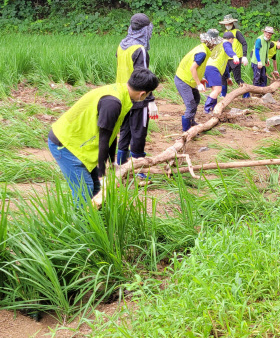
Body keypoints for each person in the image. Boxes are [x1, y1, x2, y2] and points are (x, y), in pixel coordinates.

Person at [48, 68, 159, 202]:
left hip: (78, 141)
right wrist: (102, 174)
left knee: (96, 189)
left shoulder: (122, 92)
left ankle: (95, 220)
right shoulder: (112, 103)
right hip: (65, 144)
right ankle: (81, 222)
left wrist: (111, 162)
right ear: (142, 94)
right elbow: (104, 139)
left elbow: (111, 133)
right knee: (85, 190)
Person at [115, 13, 158, 169]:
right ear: (145, 30)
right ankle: (137, 168)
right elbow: (143, 78)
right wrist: (150, 100)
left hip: (121, 93)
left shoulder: (122, 45)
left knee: (125, 129)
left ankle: (121, 164)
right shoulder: (139, 49)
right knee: (139, 131)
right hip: (138, 97)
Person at [174, 29, 223, 131]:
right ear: (211, 42)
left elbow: (198, 69)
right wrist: (198, 83)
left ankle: (191, 122)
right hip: (183, 80)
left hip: (187, 79)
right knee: (191, 105)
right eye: (215, 44)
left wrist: (201, 79)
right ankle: (186, 130)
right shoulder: (202, 53)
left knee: (196, 98)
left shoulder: (203, 48)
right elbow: (193, 68)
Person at [203, 31, 240, 114]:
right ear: (230, 39)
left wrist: (228, 77)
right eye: (232, 40)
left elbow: (224, 65)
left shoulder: (219, 45)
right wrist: (234, 56)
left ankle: (214, 108)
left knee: (215, 90)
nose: (233, 41)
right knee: (218, 89)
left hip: (209, 67)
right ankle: (207, 109)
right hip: (213, 68)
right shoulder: (226, 43)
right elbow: (228, 49)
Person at [218, 14, 250, 98]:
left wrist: (244, 55)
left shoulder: (237, 32)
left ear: (232, 23)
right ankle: (223, 94)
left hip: (236, 58)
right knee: (223, 76)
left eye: (229, 24)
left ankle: (246, 93)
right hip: (227, 59)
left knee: (237, 78)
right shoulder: (225, 33)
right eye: (226, 24)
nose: (227, 25)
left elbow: (244, 43)